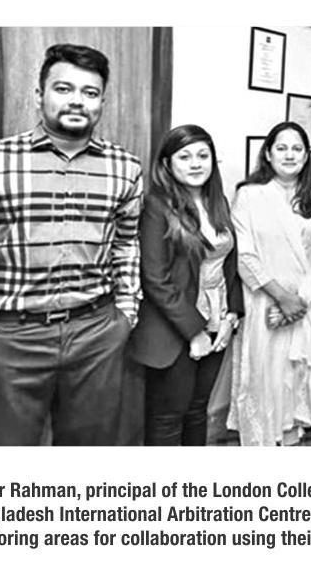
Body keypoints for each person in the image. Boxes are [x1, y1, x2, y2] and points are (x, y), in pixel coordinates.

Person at [0, 43, 142, 445]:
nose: (77, 101)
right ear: (39, 95)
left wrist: (126, 313)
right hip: (11, 340)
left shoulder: (125, 168)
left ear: (102, 101)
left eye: (90, 92)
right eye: (63, 88)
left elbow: (126, 245)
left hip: (97, 336)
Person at [126, 125, 242, 445]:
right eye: (185, 156)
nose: (195, 163)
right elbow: (156, 278)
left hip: (218, 320)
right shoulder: (157, 206)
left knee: (197, 411)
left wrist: (232, 316)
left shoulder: (218, 203)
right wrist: (195, 332)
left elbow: (230, 264)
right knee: (167, 419)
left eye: (203, 156)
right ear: (167, 164)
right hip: (174, 329)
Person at [228, 122, 311, 446]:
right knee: (265, 376)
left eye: (297, 149)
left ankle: (291, 440)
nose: (289, 155)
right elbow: (244, 256)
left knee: (297, 378)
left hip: (306, 304)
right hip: (265, 303)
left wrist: (301, 299)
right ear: (268, 153)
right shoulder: (249, 195)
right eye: (282, 148)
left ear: (306, 156)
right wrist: (281, 298)